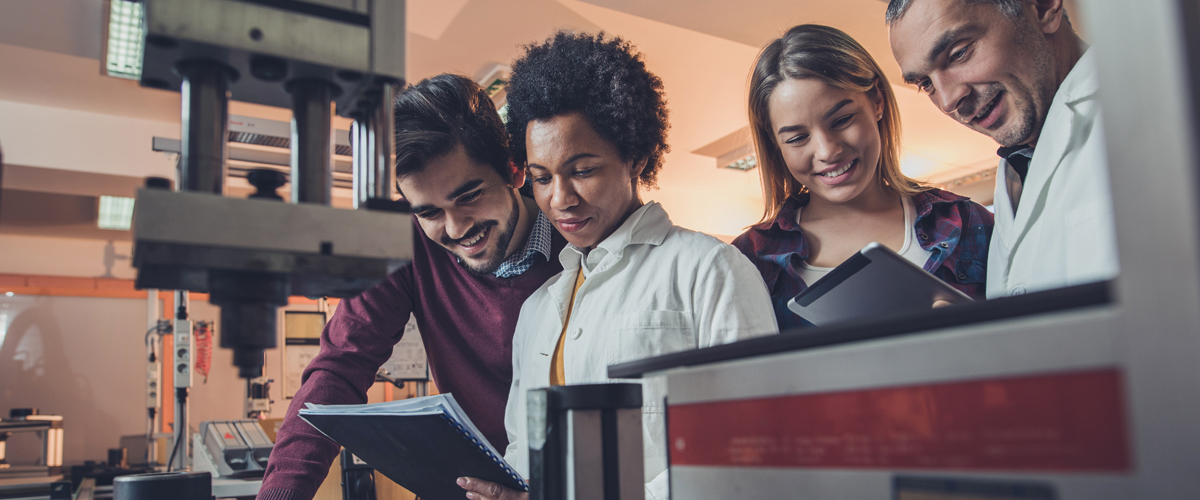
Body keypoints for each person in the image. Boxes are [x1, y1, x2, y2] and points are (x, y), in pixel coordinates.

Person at [457, 32, 779, 500]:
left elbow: (751, 448)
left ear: (635, 158)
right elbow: (524, 453)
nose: (560, 199)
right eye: (542, 178)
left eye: (583, 170)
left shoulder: (709, 270)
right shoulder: (538, 310)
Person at [259, 74, 568, 500]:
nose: (457, 228)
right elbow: (338, 369)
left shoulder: (579, 234)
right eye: (430, 212)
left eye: (470, 195)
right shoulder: (405, 243)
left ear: (514, 169)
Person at [732, 24, 994, 330]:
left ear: (877, 101)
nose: (828, 151)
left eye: (842, 120)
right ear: (775, 146)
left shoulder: (966, 222)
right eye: (797, 138)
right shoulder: (749, 257)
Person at [887, 0, 1117, 298]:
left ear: (1044, 7)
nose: (947, 101)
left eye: (958, 53)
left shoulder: (1153, 112)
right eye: (926, 83)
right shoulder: (1016, 168)